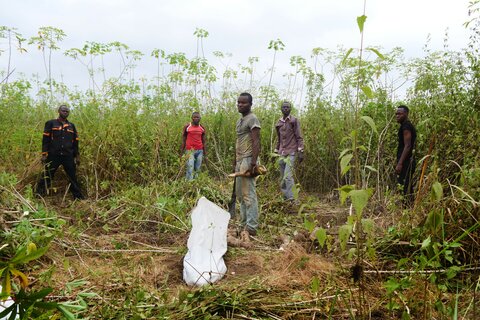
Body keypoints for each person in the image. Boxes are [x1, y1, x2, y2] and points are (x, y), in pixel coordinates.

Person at [36, 105, 84, 200]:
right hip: (54, 155)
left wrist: (77, 156)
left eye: (67, 111)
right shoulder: (51, 123)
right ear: (58, 111)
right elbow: (45, 140)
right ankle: (38, 195)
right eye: (63, 110)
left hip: (68, 156)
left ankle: (78, 197)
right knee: (47, 175)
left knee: (72, 177)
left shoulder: (71, 126)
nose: (65, 112)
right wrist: (44, 154)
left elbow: (75, 142)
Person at [233, 92, 261, 236]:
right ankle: (243, 223)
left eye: (243, 103)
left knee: (248, 194)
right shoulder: (240, 121)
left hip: (248, 159)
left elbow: (256, 141)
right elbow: (238, 141)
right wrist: (235, 162)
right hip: (240, 160)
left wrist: (253, 162)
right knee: (240, 194)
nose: (240, 105)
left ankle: (251, 226)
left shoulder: (252, 119)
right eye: (238, 102)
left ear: (250, 104)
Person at [274, 101, 304, 201]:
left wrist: (300, 151)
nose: (285, 109)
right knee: (282, 177)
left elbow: (299, 136)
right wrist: (275, 151)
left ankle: (294, 199)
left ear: (290, 109)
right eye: (284, 107)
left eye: (287, 107)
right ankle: (286, 198)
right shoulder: (278, 123)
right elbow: (279, 139)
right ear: (281, 109)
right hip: (281, 153)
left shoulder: (294, 120)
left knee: (288, 176)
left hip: (292, 151)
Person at [395, 105, 416, 205]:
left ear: (406, 114)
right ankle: (409, 209)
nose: (397, 116)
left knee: (405, 186)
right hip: (407, 162)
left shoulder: (406, 126)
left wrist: (400, 163)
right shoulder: (405, 126)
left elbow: (408, 146)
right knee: (407, 186)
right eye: (396, 114)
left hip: (406, 163)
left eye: (400, 114)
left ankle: (407, 209)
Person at [181, 112, 206, 180]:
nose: (196, 118)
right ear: (192, 118)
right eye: (194, 117)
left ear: (200, 118)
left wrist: (205, 152)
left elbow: (204, 140)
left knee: (197, 169)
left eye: (197, 117)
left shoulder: (202, 127)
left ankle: (196, 184)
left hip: (200, 151)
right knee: (190, 168)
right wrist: (182, 151)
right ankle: (189, 185)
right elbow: (184, 139)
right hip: (190, 151)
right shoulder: (187, 126)